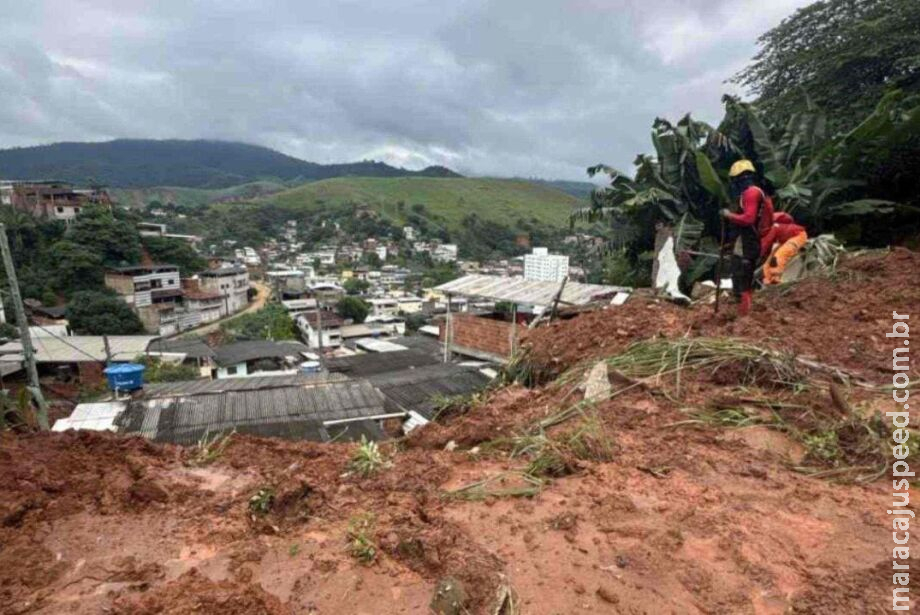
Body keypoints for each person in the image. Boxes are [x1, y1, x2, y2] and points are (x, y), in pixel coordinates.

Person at [720, 159, 774, 317]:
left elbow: (748, 219)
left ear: (739, 179)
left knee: (742, 273)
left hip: (748, 239)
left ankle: (744, 313)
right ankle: (741, 310)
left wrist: (728, 215)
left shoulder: (751, 193)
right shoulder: (753, 193)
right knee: (739, 271)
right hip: (748, 239)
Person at [763, 211, 808, 285]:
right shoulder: (769, 225)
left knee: (780, 255)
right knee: (768, 262)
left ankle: (776, 278)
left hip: (798, 236)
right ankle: (769, 279)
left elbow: (765, 243)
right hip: (785, 239)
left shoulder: (772, 227)